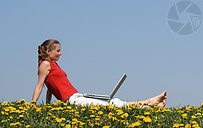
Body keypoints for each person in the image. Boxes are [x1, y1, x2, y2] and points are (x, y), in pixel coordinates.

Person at [32, 39, 167, 108]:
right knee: (112, 105)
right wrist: (33, 105)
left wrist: (48, 106)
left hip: (77, 96)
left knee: (112, 101)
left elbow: (50, 87)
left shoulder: (54, 65)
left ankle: (150, 104)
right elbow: (40, 86)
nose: (60, 53)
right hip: (73, 101)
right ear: (49, 52)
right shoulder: (45, 64)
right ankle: (149, 102)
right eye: (58, 51)